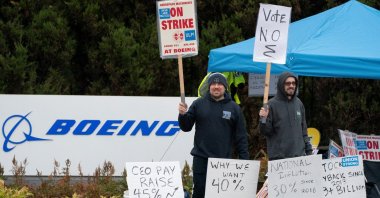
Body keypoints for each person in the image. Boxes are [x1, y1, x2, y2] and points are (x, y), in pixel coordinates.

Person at [178, 72, 249, 198]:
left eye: (220, 84)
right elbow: (186, 127)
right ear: (209, 86)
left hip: (223, 162)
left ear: (225, 87)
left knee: (220, 196)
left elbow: (241, 137)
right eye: (213, 84)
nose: (216, 86)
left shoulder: (234, 108)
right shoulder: (198, 103)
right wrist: (182, 115)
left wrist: (244, 161)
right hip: (201, 159)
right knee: (199, 193)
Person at [259, 72, 312, 160]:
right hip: (279, 160)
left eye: (293, 83)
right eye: (288, 83)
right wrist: (263, 119)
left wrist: (309, 151)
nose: (291, 85)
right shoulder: (271, 104)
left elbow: (304, 131)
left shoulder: (299, 103)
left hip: (299, 158)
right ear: (281, 85)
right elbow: (265, 131)